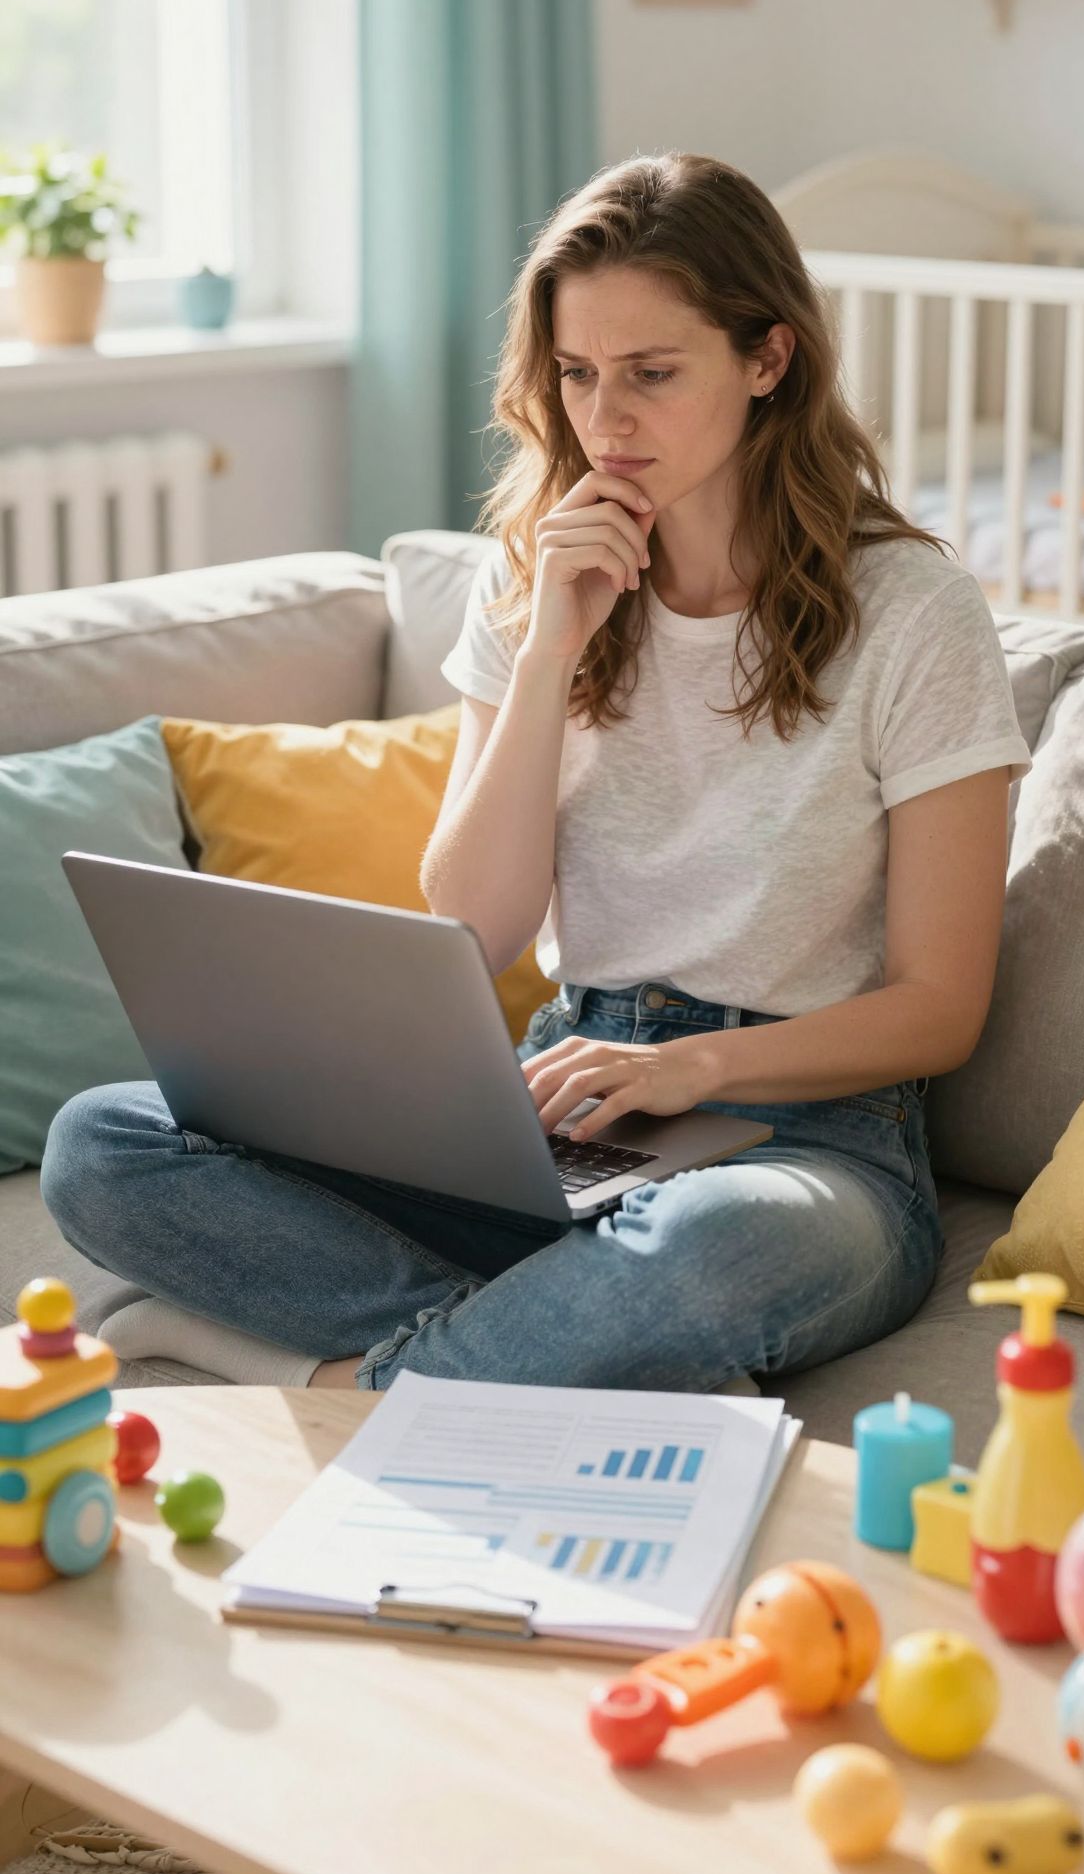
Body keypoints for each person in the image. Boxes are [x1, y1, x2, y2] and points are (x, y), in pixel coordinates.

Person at [40, 151, 1032, 1394]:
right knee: (104, 1142)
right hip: (556, 1100)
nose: (606, 422)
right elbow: (475, 922)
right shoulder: (533, 578)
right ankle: (551, 1349)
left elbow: (940, 1006)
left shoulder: (915, 610)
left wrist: (692, 1067)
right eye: (577, 373)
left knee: (709, 1255)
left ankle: (350, 1385)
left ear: (767, 359)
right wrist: (554, 647)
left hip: (812, 1139)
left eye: (653, 373)